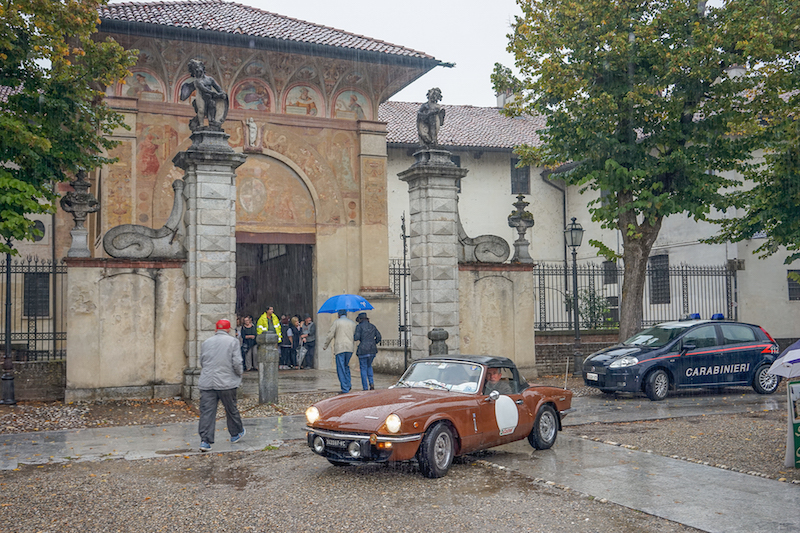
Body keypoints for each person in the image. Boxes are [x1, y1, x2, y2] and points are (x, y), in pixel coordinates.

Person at [198, 319, 246, 452]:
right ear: (228, 329)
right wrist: (239, 374)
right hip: (226, 382)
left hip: (207, 382)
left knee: (207, 412)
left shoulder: (206, 342)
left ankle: (205, 441)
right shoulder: (233, 342)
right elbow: (237, 362)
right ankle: (236, 433)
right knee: (231, 409)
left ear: (216, 329)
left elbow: (202, 361)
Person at [323, 309, 357, 393]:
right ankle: (348, 384)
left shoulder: (336, 322)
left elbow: (330, 335)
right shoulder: (352, 323)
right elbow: (355, 335)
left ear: (338, 315)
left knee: (340, 368)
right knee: (346, 366)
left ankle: (345, 388)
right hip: (349, 348)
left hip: (340, 347)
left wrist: (325, 345)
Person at [353, 312, 381, 390]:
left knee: (363, 368)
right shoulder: (372, 326)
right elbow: (379, 337)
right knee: (369, 366)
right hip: (372, 349)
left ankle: (365, 387)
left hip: (363, 350)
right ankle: (371, 383)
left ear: (360, 319)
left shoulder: (359, 327)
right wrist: (373, 342)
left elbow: (356, 338)